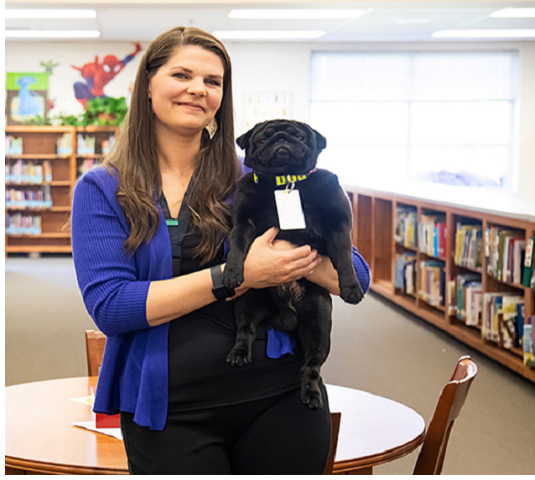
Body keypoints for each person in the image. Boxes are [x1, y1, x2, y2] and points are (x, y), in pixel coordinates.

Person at [71, 26, 370, 474]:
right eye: (182, 75)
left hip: (279, 397)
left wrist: (293, 262)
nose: (198, 89)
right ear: (147, 85)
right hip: (169, 410)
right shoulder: (103, 189)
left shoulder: (262, 176)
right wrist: (239, 276)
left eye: (213, 81)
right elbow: (112, 307)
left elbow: (355, 276)